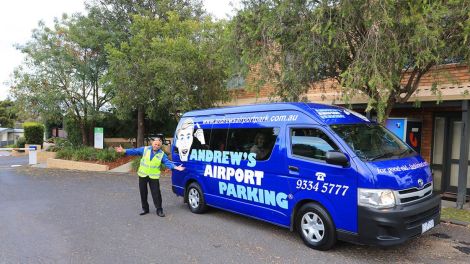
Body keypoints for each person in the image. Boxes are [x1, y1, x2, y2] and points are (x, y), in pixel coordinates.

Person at [115, 138, 184, 217]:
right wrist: (124, 150)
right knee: (143, 193)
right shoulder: (145, 149)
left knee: (156, 194)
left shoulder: (162, 154)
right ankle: (145, 209)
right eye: (155, 144)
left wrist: (175, 167)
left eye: (158, 145)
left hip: (153, 177)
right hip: (143, 175)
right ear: (152, 143)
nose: (156, 146)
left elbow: (167, 162)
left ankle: (159, 209)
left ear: (160, 146)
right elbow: (135, 151)